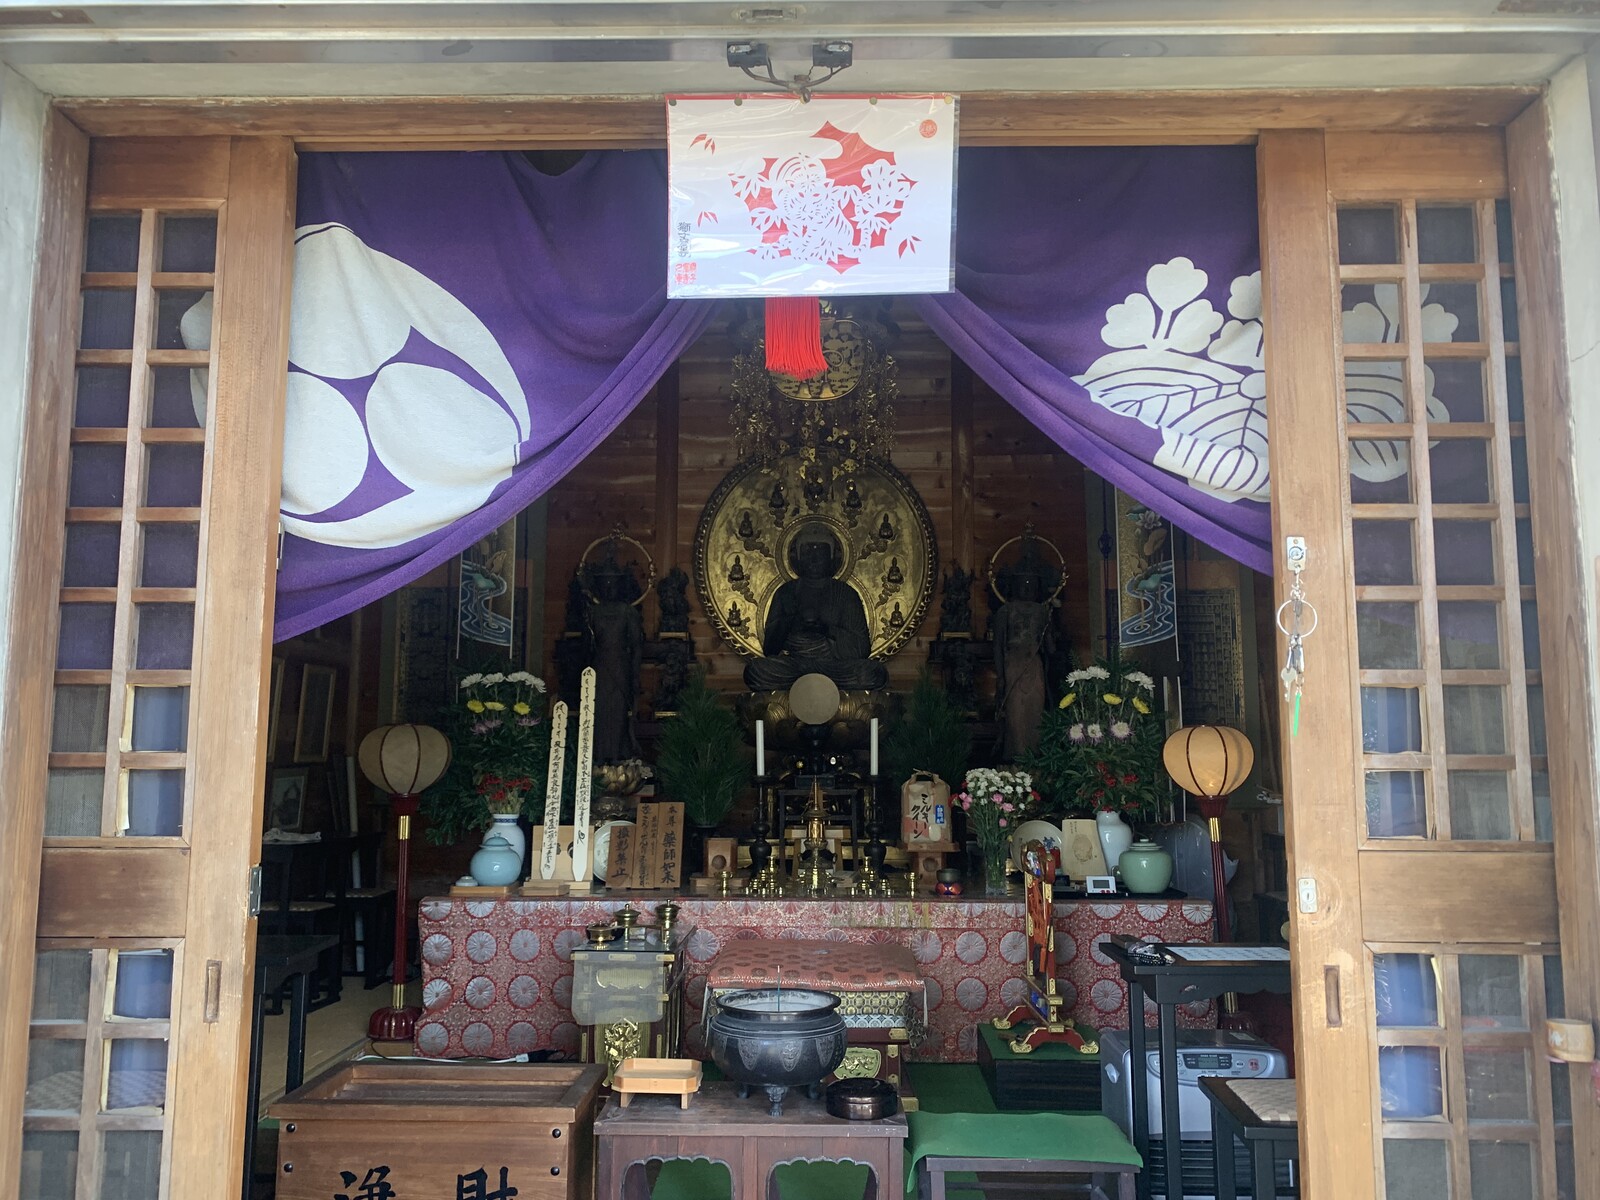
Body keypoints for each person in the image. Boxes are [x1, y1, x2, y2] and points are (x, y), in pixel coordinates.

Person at [743, 524, 889, 691]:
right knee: (755, 671)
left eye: (821, 552)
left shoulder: (846, 594)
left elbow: (861, 647)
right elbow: (770, 648)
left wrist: (826, 630)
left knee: (874, 673)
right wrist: (791, 623)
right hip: (794, 664)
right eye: (807, 552)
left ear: (832, 557)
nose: (814, 558)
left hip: (834, 666)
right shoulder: (786, 592)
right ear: (797, 557)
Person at [993, 571, 1054, 758]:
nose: (1027, 587)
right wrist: (1000, 676)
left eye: (1031, 584)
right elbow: (998, 645)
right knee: (1015, 711)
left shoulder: (1041, 611)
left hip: (1034, 664)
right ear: (1015, 585)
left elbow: (1050, 647)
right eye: (1023, 583)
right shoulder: (1005, 611)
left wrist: (1049, 626)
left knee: (1035, 710)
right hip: (1013, 663)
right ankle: (1016, 755)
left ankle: (1035, 755)